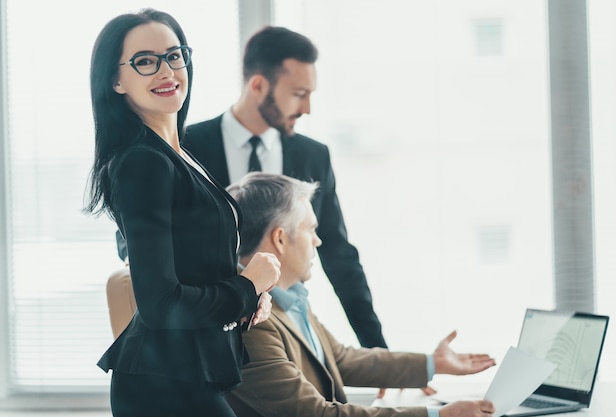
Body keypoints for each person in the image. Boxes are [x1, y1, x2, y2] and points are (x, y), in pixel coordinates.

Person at [84, 9, 279, 416]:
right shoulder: (142, 163)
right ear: (116, 80)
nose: (166, 70)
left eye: (175, 55)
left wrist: (247, 298)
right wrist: (245, 287)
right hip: (162, 386)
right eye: (145, 61)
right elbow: (160, 304)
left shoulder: (179, 156)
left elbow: (196, 268)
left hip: (190, 373)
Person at [182, 25, 387, 350]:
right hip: (207, 335)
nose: (307, 108)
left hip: (285, 338)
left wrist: (378, 351)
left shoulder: (312, 156)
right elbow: (144, 226)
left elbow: (338, 254)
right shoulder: (186, 147)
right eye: (298, 94)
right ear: (259, 85)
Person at [225, 172, 497, 417]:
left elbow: (340, 359)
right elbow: (313, 413)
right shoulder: (251, 318)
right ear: (281, 239)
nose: (318, 241)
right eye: (311, 230)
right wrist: (440, 416)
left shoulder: (290, 297)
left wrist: (432, 363)